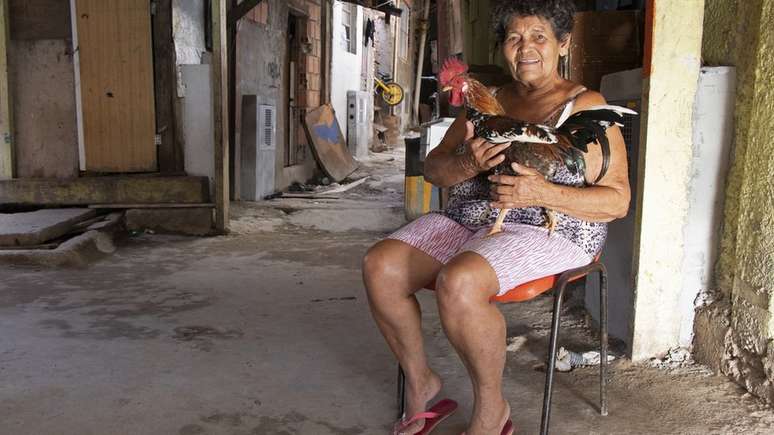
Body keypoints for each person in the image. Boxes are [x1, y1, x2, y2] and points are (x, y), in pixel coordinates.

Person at [362, 1, 631, 434]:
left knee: (461, 280)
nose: (525, 48)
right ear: (504, 48)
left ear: (563, 44)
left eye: (538, 37)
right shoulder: (489, 101)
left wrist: (542, 192)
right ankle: (423, 384)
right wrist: (468, 164)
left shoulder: (586, 106)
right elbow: (433, 168)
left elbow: (617, 201)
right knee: (381, 265)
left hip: (554, 225)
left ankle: (492, 409)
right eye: (514, 38)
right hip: (473, 217)